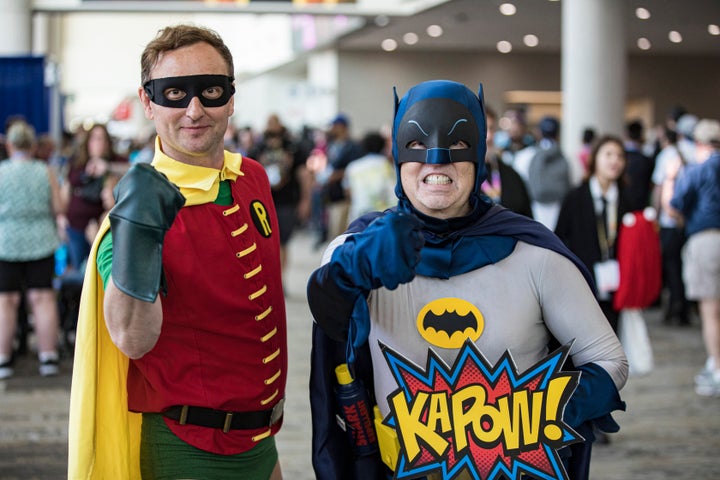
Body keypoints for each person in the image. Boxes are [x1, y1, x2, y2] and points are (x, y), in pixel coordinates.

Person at [307, 80, 627, 480]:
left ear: (478, 155)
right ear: (397, 152)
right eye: (417, 145)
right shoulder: (358, 248)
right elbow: (326, 313)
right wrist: (354, 268)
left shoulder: (535, 254)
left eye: (458, 146)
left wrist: (537, 416)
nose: (436, 160)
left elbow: (609, 360)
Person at [68, 24, 287, 479]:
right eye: (173, 93)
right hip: (185, 450)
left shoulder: (251, 177)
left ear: (230, 98)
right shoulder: (133, 218)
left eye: (210, 90)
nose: (194, 110)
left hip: (262, 443)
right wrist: (137, 235)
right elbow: (132, 338)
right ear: (147, 102)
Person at [0, 121, 64, 378]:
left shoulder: (1, 171)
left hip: (6, 243)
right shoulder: (45, 170)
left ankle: (3, 359)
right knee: (43, 299)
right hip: (42, 241)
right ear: (33, 146)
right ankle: (48, 357)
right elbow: (58, 207)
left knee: (6, 301)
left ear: (10, 144)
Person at [555, 135, 631, 333]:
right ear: (595, 158)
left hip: (617, 285)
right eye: (609, 154)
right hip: (583, 284)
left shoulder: (627, 199)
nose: (615, 161)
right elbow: (560, 238)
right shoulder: (575, 197)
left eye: (620, 156)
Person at [668, 118, 720, 397]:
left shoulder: (696, 170)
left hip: (706, 239)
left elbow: (675, 206)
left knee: (711, 311)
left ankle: (717, 369)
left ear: (699, 144)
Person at [59, 123, 128, 272]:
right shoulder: (77, 163)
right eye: (95, 139)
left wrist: (107, 167)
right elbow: (67, 189)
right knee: (82, 271)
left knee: (100, 267)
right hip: (77, 224)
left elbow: (134, 168)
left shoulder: (114, 162)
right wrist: (61, 216)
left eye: (102, 139)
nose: (99, 143)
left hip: (103, 222)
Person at [250, 113, 312, 275]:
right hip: (261, 201)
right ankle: (268, 275)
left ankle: (279, 278)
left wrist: (306, 200)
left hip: (286, 201)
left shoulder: (293, 147)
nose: (272, 127)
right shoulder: (258, 147)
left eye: (275, 124)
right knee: (263, 241)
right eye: (269, 124)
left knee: (282, 242)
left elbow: (304, 174)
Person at [651, 126, 690, 325]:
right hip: (684, 220)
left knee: (671, 265)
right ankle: (682, 308)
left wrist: (656, 215)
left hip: (669, 220)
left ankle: (675, 308)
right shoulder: (686, 154)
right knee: (679, 265)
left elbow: (660, 189)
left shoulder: (666, 157)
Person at [514, 115, 571, 230]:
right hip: (559, 211)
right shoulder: (567, 158)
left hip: (534, 210)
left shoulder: (524, 156)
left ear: (538, 132)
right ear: (558, 134)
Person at [482, 106, 533, 217]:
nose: (489, 136)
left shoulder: (512, 175)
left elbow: (528, 221)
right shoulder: (463, 177)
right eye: (483, 129)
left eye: (491, 129)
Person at [342, 130, 396, 224]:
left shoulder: (353, 167)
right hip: (382, 218)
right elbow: (393, 191)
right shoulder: (386, 165)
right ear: (382, 146)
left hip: (357, 217)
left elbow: (348, 193)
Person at [623, 119, 655, 212]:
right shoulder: (646, 160)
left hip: (623, 205)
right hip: (641, 207)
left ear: (626, 134)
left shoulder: (622, 157)